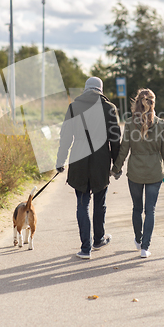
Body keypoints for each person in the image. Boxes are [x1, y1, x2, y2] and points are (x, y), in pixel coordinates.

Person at [56, 77, 121, 259]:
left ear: (85, 89)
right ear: (100, 89)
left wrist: (60, 161)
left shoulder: (73, 107)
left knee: (82, 204)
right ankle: (99, 238)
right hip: (101, 159)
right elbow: (115, 140)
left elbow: (66, 137)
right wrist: (116, 166)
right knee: (100, 202)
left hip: (79, 158)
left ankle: (85, 249)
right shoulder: (109, 108)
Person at [111, 88, 164, 258]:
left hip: (135, 171)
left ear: (137, 103)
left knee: (137, 208)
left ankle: (138, 239)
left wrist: (116, 168)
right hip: (154, 172)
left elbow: (124, 149)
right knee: (150, 210)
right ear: (153, 103)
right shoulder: (160, 123)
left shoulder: (130, 123)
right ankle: (145, 247)